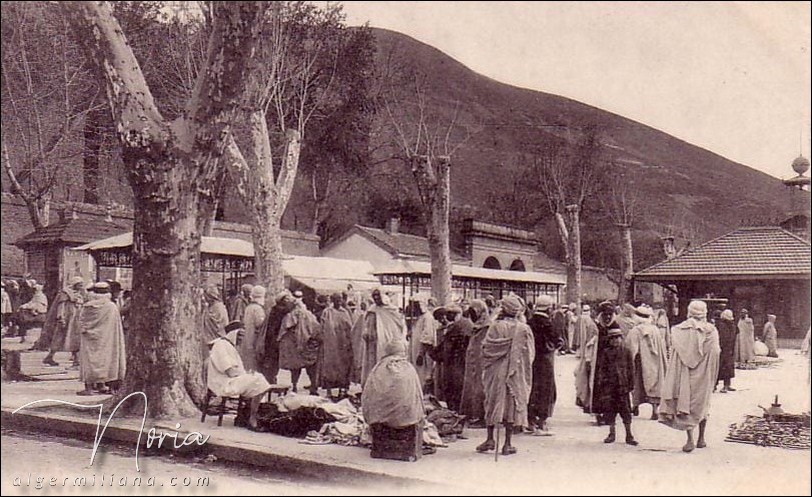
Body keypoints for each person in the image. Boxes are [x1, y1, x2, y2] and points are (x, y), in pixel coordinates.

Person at [658, 300, 720, 453]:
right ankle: (701, 438)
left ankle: (690, 440)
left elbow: (675, 354)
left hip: (685, 374)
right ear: (704, 312)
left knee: (685, 404)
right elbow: (716, 353)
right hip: (704, 374)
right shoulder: (711, 331)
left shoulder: (678, 330)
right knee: (703, 404)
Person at [477, 295, 535, 456]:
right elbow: (530, 353)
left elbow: (487, 348)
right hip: (514, 372)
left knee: (492, 401)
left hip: (495, 371)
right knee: (510, 405)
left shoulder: (495, 326)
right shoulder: (523, 329)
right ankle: (507, 444)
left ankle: (490, 439)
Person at [361, 339, 425, 461]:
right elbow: (418, 396)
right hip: (407, 421)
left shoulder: (378, 368)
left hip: (379, 421)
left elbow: (367, 395)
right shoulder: (408, 368)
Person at [207, 321, 272, 431]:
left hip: (230, 380)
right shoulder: (221, 345)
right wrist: (245, 375)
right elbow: (230, 371)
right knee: (259, 380)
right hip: (223, 382)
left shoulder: (229, 346)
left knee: (258, 380)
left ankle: (244, 415)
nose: (241, 339)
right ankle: (252, 418)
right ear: (233, 334)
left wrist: (246, 374)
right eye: (240, 335)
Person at [76, 282, 126, 396]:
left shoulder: (88, 307)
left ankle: (89, 387)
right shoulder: (112, 307)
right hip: (107, 339)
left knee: (89, 360)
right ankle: (102, 384)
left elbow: (81, 322)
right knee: (106, 360)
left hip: (90, 338)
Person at [576, 301, 621, 421]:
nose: (607, 317)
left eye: (610, 314)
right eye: (605, 314)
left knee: (611, 388)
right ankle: (598, 413)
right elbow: (589, 344)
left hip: (611, 363)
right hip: (598, 362)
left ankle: (609, 414)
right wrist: (588, 360)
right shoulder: (595, 327)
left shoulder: (615, 326)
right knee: (597, 387)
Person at [527, 295, 564, 436]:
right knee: (546, 390)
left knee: (532, 388)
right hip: (545, 360)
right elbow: (558, 341)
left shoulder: (529, 322)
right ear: (549, 308)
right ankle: (541, 422)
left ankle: (530, 421)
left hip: (530, 360)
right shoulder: (548, 324)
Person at [626, 305, 668, 420]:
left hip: (640, 363)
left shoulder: (635, 331)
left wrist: (629, 362)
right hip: (655, 362)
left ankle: (635, 406)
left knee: (637, 384)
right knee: (654, 384)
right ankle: (654, 409)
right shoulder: (655, 329)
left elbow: (631, 349)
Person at [598, 328, 638, 446]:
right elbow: (602, 369)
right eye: (612, 339)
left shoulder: (626, 352)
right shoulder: (606, 353)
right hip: (610, 387)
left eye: (617, 338)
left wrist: (631, 384)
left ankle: (629, 434)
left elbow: (631, 369)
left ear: (622, 339)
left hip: (623, 386)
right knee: (610, 410)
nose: (615, 341)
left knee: (625, 410)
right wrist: (603, 382)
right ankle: (612, 433)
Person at [359, 289, 407, 387]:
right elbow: (367, 326)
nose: (376, 298)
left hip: (388, 342)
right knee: (373, 364)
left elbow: (398, 325)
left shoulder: (391, 310)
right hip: (374, 342)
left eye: (378, 295)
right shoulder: (372, 310)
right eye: (374, 295)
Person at [278, 296, 322, 394]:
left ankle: (295, 386)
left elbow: (284, 330)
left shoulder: (290, 316)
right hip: (307, 345)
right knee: (310, 367)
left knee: (295, 368)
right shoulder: (309, 315)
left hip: (295, 346)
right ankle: (313, 387)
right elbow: (316, 328)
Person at [42, 277, 86, 367]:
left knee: (75, 338)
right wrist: (61, 317)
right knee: (59, 338)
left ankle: (76, 359)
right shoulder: (65, 293)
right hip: (66, 319)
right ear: (75, 284)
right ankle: (50, 357)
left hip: (75, 319)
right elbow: (61, 306)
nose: (81, 286)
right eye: (79, 284)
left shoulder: (80, 293)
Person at [460, 299, 490, 427]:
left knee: (480, 388)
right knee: (471, 387)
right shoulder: (476, 327)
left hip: (481, 362)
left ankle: (481, 417)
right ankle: (472, 414)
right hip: (473, 361)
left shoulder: (487, 327)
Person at [319, 293, 354, 397]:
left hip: (343, 344)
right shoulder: (327, 312)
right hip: (331, 344)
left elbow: (350, 327)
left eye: (340, 300)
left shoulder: (345, 312)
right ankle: (329, 391)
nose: (338, 302)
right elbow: (323, 326)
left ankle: (342, 390)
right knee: (330, 367)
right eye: (336, 300)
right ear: (332, 300)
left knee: (343, 367)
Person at [257, 290, 296, 384]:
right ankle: (270, 380)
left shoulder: (275, 309)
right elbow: (289, 308)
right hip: (273, 338)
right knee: (272, 360)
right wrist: (295, 302)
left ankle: (271, 379)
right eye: (286, 299)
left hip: (272, 337)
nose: (287, 301)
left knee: (273, 360)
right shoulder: (279, 310)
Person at [408, 298, 437, 390]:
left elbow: (427, 337)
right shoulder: (420, 318)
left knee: (423, 375)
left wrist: (421, 354)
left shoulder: (427, 318)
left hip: (423, 354)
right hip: (416, 351)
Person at [239, 285, 266, 372]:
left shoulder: (248, 308)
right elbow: (260, 325)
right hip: (254, 341)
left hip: (246, 341)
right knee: (255, 367)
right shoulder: (258, 309)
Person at [716, 309, 738, 392]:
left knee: (724, 367)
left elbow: (726, 337)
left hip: (726, 349)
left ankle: (724, 385)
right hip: (726, 349)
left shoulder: (727, 325)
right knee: (724, 367)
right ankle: (719, 385)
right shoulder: (726, 325)